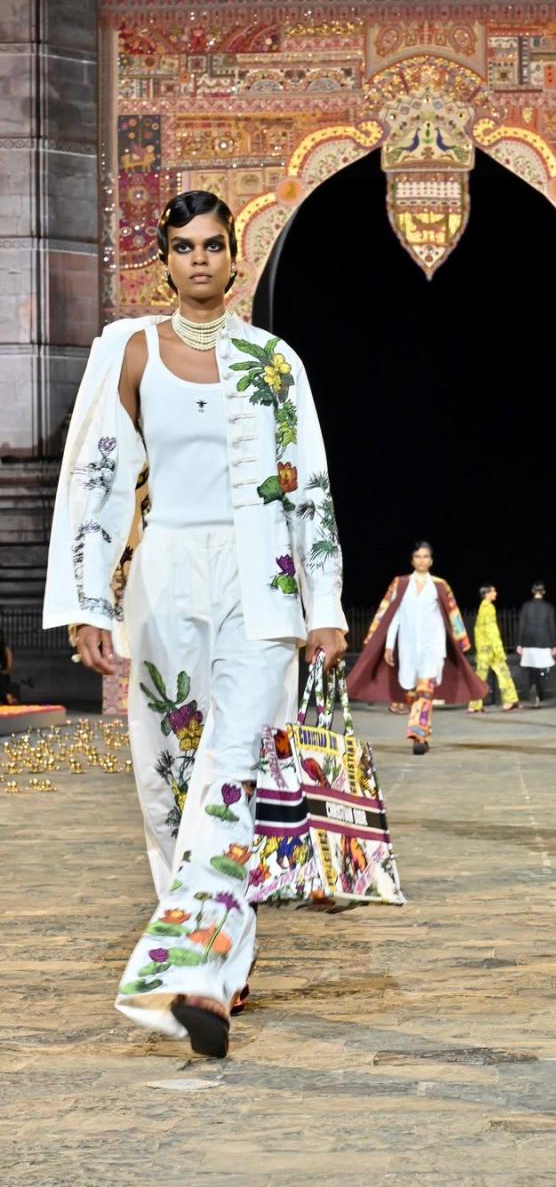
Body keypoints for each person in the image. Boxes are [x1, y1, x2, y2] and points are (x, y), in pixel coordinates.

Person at [43, 190, 347, 1058]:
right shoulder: (129, 351)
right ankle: (221, 957)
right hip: (166, 575)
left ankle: (194, 974)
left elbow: (309, 485)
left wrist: (323, 606)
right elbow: (93, 476)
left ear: (233, 256)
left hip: (264, 584)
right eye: (183, 247)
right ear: (165, 260)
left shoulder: (273, 361)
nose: (199, 261)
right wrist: (87, 603)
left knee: (233, 763)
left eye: (213, 246)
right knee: (168, 775)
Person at [347, 542, 487, 754]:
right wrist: (388, 645)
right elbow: (391, 615)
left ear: (431, 560)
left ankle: (418, 734)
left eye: (426, 556)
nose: (422, 560)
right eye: (418, 556)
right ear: (412, 560)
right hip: (408, 647)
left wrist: (456, 643)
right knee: (413, 691)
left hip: (433, 646)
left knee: (425, 690)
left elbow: (451, 615)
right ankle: (423, 730)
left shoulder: (440, 585)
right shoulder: (400, 583)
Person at [467, 585, 520, 713]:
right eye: (493, 591)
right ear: (487, 594)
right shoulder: (489, 608)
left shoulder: (482, 608)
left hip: (483, 649)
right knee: (503, 673)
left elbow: (478, 630)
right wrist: (498, 649)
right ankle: (509, 701)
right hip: (492, 649)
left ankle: (474, 705)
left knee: (480, 676)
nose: (496, 593)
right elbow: (492, 630)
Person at [517, 582, 556, 707]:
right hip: (544, 642)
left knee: (531, 670)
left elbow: (522, 626)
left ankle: (534, 689)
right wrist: (553, 645)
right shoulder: (549, 607)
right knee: (542, 669)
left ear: (533, 591)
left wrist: (519, 644)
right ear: (543, 592)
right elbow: (551, 627)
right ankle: (539, 692)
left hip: (528, 642)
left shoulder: (526, 606)